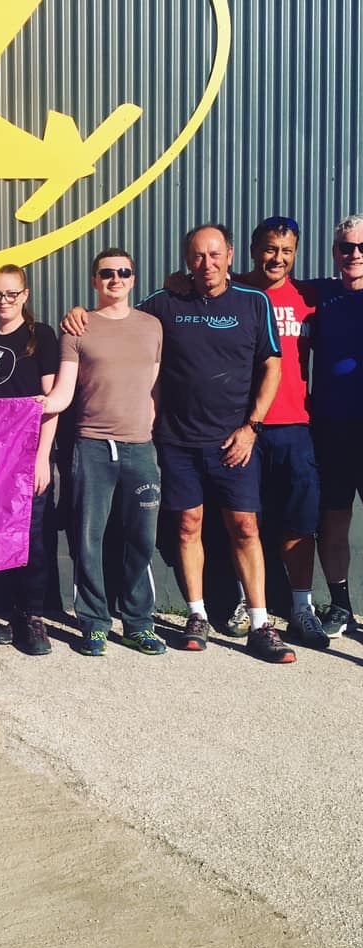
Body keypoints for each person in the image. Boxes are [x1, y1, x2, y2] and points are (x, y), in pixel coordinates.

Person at [63, 224, 293, 663]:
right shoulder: (165, 304)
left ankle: (261, 624)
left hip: (235, 441)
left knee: (245, 528)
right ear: (187, 260)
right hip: (176, 441)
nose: (207, 264)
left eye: (215, 254)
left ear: (229, 255)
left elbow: (272, 367)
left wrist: (252, 427)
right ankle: (196, 616)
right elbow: (117, 313)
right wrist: (78, 311)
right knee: (187, 526)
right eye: (198, 256)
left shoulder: (253, 302)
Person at [209, 218, 327, 648]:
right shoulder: (233, 291)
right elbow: (182, 290)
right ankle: (248, 602)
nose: (277, 258)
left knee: (299, 522)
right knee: (245, 520)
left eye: (286, 251)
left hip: (296, 427)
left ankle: (302, 608)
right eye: (270, 249)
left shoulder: (311, 297)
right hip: (243, 428)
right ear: (253, 250)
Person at [41, 248, 163, 656]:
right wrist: (28, 406)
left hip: (140, 448)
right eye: (107, 273)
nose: (116, 279)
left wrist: (148, 428)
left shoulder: (152, 327)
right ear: (94, 280)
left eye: (124, 272)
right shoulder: (78, 328)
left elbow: (155, 388)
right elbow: (62, 393)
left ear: (133, 279)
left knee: (141, 539)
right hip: (92, 447)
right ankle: (94, 623)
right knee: (89, 538)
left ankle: (138, 623)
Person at [0, 263, 59, 655]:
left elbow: (51, 404)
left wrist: (43, 457)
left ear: (24, 295)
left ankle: (33, 616)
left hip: (29, 455)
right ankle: (9, 615)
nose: (3, 301)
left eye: (11, 294)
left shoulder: (40, 336)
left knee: (32, 537)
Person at [310, 213, 363, 637]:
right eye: (347, 247)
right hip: (332, 429)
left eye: (362, 247)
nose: (355, 254)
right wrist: (183, 282)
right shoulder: (319, 293)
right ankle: (340, 606)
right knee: (334, 519)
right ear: (335, 252)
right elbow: (259, 283)